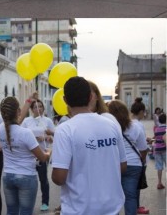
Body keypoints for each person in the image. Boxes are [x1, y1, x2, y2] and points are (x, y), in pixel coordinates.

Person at [52, 77, 127, 215]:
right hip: (111, 208)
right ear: (91, 96)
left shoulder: (65, 129)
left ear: (65, 100)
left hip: (79, 209)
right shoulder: (111, 124)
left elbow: (59, 177)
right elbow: (122, 166)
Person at [0, 96, 51, 215]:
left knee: (11, 212)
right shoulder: (26, 133)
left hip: (8, 176)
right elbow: (42, 158)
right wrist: (49, 152)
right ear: (18, 112)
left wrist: (27, 102)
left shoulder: (1, 129)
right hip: (26, 176)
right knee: (26, 212)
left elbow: (16, 122)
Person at [108, 100, 148, 215]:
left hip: (114, 165)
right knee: (130, 197)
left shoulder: (108, 127)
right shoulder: (135, 127)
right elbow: (143, 149)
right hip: (133, 165)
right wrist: (142, 160)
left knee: (113, 196)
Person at [21, 99, 54, 212]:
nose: (38, 109)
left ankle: (45, 202)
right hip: (28, 156)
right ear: (31, 109)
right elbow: (22, 136)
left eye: (40, 106)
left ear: (43, 108)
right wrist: (33, 139)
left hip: (42, 153)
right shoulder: (26, 121)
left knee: (43, 179)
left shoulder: (47, 121)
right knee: (28, 180)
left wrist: (45, 138)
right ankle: (27, 203)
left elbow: (52, 138)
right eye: (35, 107)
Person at [130, 97, 150, 215]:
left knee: (131, 188)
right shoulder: (139, 125)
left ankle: (135, 206)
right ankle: (136, 207)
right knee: (137, 187)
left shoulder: (129, 123)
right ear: (141, 112)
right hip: (139, 159)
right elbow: (142, 146)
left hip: (130, 159)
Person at [153, 113, 166, 190]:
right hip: (165, 150)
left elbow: (156, 138)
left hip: (157, 150)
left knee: (159, 167)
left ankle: (159, 183)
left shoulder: (157, 129)